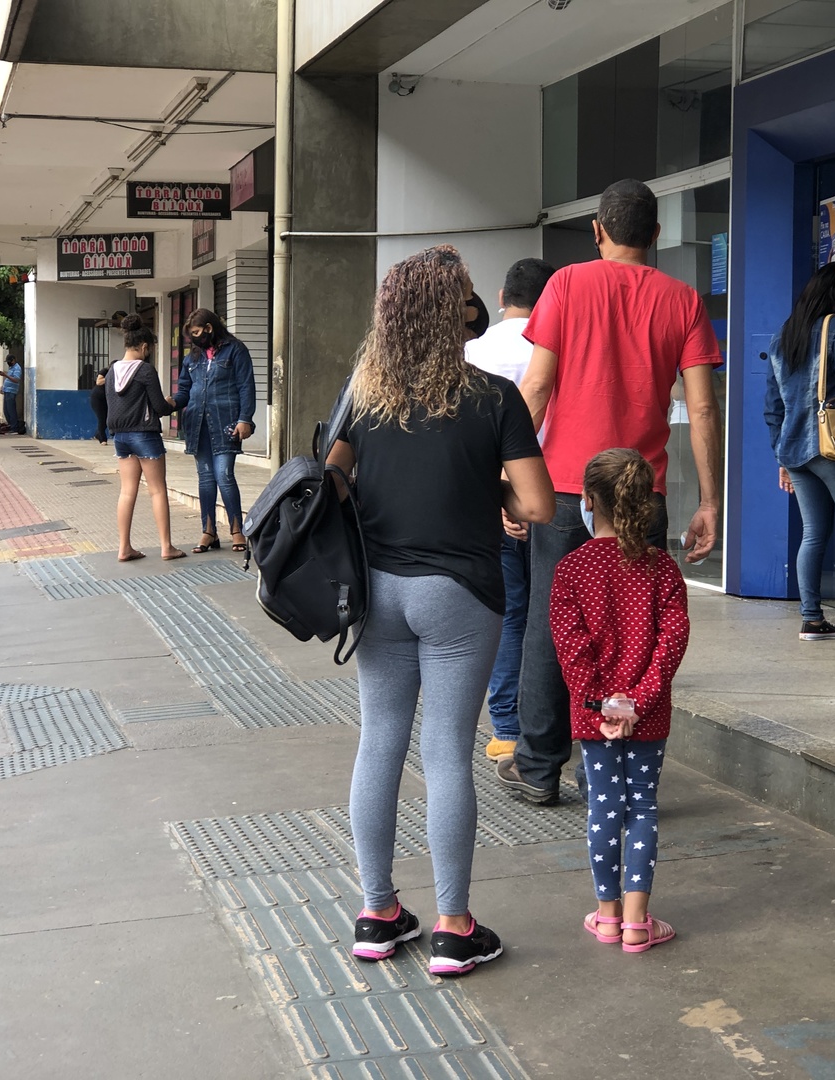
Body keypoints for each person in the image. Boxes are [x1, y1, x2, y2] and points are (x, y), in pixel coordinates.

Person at [326, 245, 554, 976]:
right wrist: (489, 494)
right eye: (461, 298)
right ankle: (455, 927)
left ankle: (377, 912)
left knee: (379, 740)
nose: (469, 308)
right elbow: (538, 504)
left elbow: (329, 483)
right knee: (449, 750)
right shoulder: (493, 396)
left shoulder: (363, 392)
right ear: (449, 312)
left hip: (377, 591)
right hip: (459, 595)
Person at [498, 178, 723, 805]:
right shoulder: (682, 301)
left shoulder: (565, 285)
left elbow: (536, 390)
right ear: (656, 235)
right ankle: (619, 767)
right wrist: (709, 501)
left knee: (552, 620)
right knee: (635, 627)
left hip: (565, 490)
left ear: (597, 230)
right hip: (639, 494)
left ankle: (540, 767)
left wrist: (505, 478)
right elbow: (702, 410)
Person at [552, 448, 689, 952]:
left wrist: (601, 707)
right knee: (644, 807)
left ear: (588, 501)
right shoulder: (663, 570)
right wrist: (637, 703)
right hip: (648, 717)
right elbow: (670, 644)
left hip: (595, 719)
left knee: (605, 806)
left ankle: (607, 916)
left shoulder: (570, 570)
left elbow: (571, 648)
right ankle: (638, 920)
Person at [464, 257, 555, 764]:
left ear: (501, 298)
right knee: (548, 613)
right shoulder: (554, 350)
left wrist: (496, 487)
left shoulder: (472, 352)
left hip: (492, 497)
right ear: (549, 302)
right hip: (551, 494)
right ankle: (550, 728)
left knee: (509, 611)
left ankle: (505, 728)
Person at [763, 261, 835, 641]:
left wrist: (781, 458)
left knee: (813, 533)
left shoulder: (782, 335)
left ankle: (812, 619)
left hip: (794, 450)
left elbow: (772, 407)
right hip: (830, 446)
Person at [173, 308, 256, 553]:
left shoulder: (236, 349)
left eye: (197, 333)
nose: (194, 339)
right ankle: (209, 532)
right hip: (197, 424)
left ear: (209, 328)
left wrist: (245, 419)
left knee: (224, 475)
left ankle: (237, 530)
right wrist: (170, 403)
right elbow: (184, 391)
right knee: (206, 478)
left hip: (227, 423)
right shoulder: (193, 357)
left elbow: (246, 387)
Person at [104, 314, 185, 562]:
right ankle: (166, 547)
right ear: (145, 347)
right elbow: (159, 407)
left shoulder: (111, 371)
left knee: (127, 492)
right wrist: (172, 403)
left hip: (120, 438)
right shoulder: (145, 370)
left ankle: (124, 548)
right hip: (145, 436)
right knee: (157, 491)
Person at [0, 353, 25, 435]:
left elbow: (16, 379)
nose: (8, 363)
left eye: (9, 361)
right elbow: (8, 380)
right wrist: (3, 387)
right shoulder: (11, 368)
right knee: (6, 410)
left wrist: (5, 375)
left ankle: (14, 428)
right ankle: (11, 425)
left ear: (13, 360)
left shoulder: (17, 368)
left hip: (11, 392)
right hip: (7, 390)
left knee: (11, 410)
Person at [90, 371, 109, 444]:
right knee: (101, 418)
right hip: (97, 398)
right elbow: (98, 382)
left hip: (107, 398)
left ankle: (98, 434)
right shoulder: (105, 371)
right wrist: (110, 377)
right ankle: (102, 439)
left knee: (107, 419)